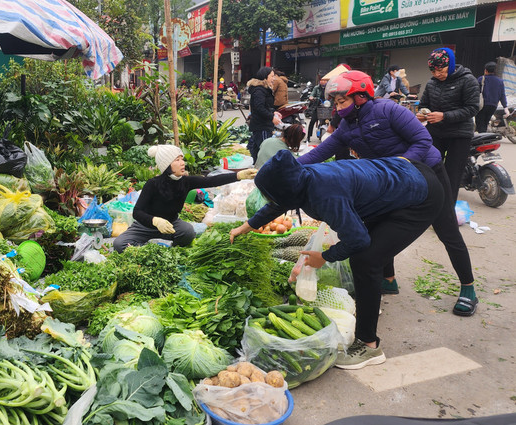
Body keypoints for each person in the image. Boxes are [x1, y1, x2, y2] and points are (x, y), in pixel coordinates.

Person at [231, 150, 444, 369]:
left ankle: (369, 347)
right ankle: (371, 299)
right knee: (371, 249)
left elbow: (358, 240)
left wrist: (324, 257)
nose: (268, 199)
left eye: (269, 194)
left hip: (421, 196)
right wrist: (247, 226)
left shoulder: (324, 194)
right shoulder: (301, 178)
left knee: (365, 260)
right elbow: (280, 201)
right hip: (404, 174)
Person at [298, 70, 479, 316]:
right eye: (336, 103)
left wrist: (399, 163)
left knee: (446, 229)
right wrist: (285, 167)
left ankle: (468, 287)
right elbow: (318, 153)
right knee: (379, 222)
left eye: (343, 102)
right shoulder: (347, 127)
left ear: (360, 96)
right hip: (390, 182)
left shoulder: (389, 110)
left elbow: (423, 140)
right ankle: (389, 280)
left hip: (427, 173)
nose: (339, 109)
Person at [113, 145, 257, 252]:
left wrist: (238, 176)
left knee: (188, 232)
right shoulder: (153, 184)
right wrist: (155, 221)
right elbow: (137, 212)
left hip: (171, 225)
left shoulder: (185, 181)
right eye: (177, 160)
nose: (182, 163)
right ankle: (147, 248)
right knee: (119, 244)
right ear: (167, 165)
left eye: (182, 159)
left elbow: (211, 181)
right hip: (144, 227)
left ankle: (168, 249)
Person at [417, 47, 480, 202]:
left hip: (459, 135)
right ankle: (430, 207)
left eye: (441, 69)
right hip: (436, 133)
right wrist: (422, 114)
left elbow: (472, 108)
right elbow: (424, 104)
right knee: (430, 171)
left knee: (452, 176)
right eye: (433, 71)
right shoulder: (432, 83)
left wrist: (444, 116)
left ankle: (447, 214)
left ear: (450, 64)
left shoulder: (467, 80)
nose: (437, 74)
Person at [247, 67, 281, 163]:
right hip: (261, 125)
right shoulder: (259, 90)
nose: (274, 78)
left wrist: (273, 112)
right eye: (272, 76)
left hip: (263, 124)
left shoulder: (264, 89)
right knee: (265, 150)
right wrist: (271, 117)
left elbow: (265, 106)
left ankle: (257, 168)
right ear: (265, 77)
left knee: (258, 149)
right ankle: (263, 170)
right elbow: (259, 108)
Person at [475, 61, 508, 133]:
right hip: (493, 106)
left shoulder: (481, 79)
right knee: (486, 122)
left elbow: (475, 92)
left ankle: (483, 140)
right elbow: (502, 95)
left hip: (482, 105)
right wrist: (505, 107)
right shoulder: (500, 81)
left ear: (486, 70)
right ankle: (485, 138)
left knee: (480, 124)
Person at [306, 76, 328, 141]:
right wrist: (311, 97)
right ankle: (308, 137)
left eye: (324, 80)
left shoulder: (329, 88)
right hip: (318, 107)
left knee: (328, 121)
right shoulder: (316, 88)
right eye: (321, 80)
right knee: (312, 121)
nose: (323, 81)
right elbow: (312, 94)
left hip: (327, 108)